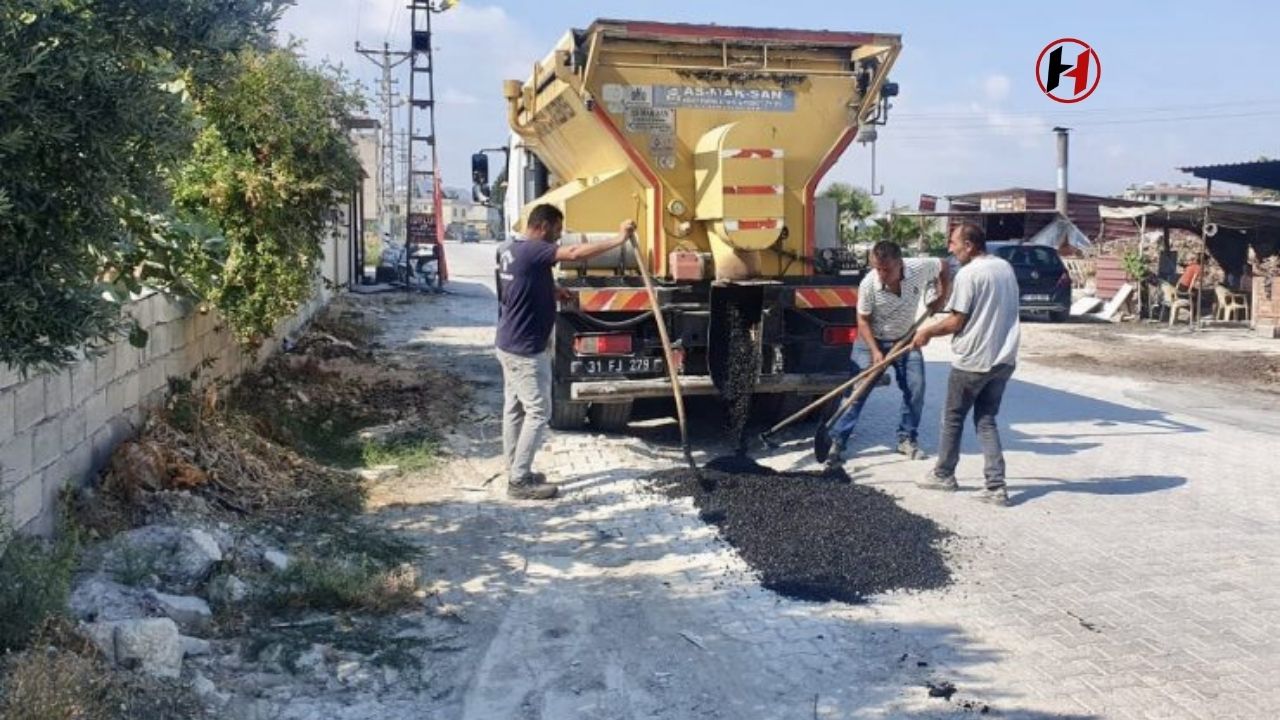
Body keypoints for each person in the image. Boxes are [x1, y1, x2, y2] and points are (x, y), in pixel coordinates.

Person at [496, 204, 636, 500]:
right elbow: (574, 255)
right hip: (526, 348)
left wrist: (554, 289)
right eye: (558, 231)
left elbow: (523, 283)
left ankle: (515, 470)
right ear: (544, 226)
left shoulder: (511, 248)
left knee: (515, 409)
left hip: (508, 341)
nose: (559, 239)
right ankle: (519, 482)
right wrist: (619, 239)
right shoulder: (535, 249)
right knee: (538, 411)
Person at [912, 223, 1021, 506]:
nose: (950, 248)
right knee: (986, 420)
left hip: (973, 360)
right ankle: (996, 487)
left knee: (953, 418)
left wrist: (925, 332)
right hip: (1003, 358)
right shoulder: (1004, 268)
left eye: (953, 242)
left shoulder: (969, 274)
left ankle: (943, 474)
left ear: (969, 245)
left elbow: (956, 321)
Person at [826, 241, 951, 471]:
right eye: (877, 269)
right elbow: (862, 320)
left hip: (905, 338)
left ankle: (906, 439)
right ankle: (837, 441)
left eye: (887, 270)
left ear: (900, 263)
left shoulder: (919, 268)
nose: (882, 274)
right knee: (857, 392)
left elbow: (944, 265)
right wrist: (875, 351)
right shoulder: (869, 285)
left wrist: (942, 296)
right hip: (870, 340)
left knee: (916, 388)